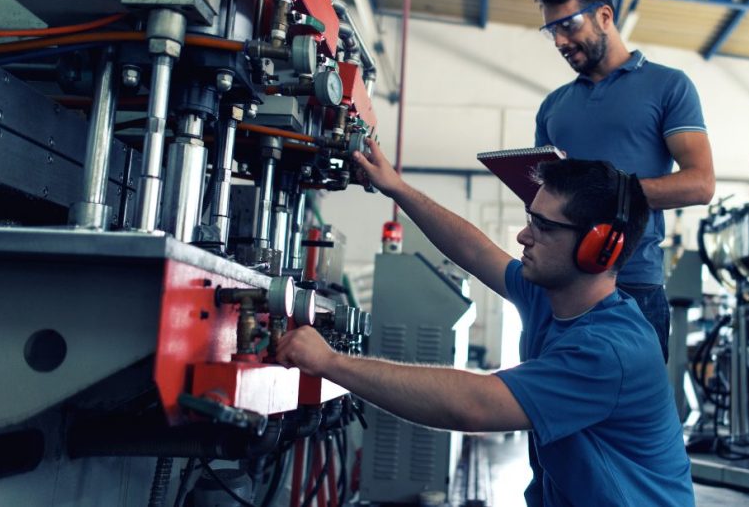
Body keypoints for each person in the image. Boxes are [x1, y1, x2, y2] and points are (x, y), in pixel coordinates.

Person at [277, 137, 695, 507]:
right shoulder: (550, 293)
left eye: (544, 227)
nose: (523, 237)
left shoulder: (611, 349)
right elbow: (476, 252)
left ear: (599, 250)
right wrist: (397, 188)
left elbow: (472, 407)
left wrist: (331, 363)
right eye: (531, 219)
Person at [533, 0, 715, 361]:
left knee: (630, 419)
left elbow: (700, 185)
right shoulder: (553, 107)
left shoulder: (669, 86)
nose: (561, 41)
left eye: (568, 25)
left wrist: (604, 197)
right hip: (559, 287)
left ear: (604, 16)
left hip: (633, 287)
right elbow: (539, 194)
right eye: (552, 32)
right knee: (550, 417)